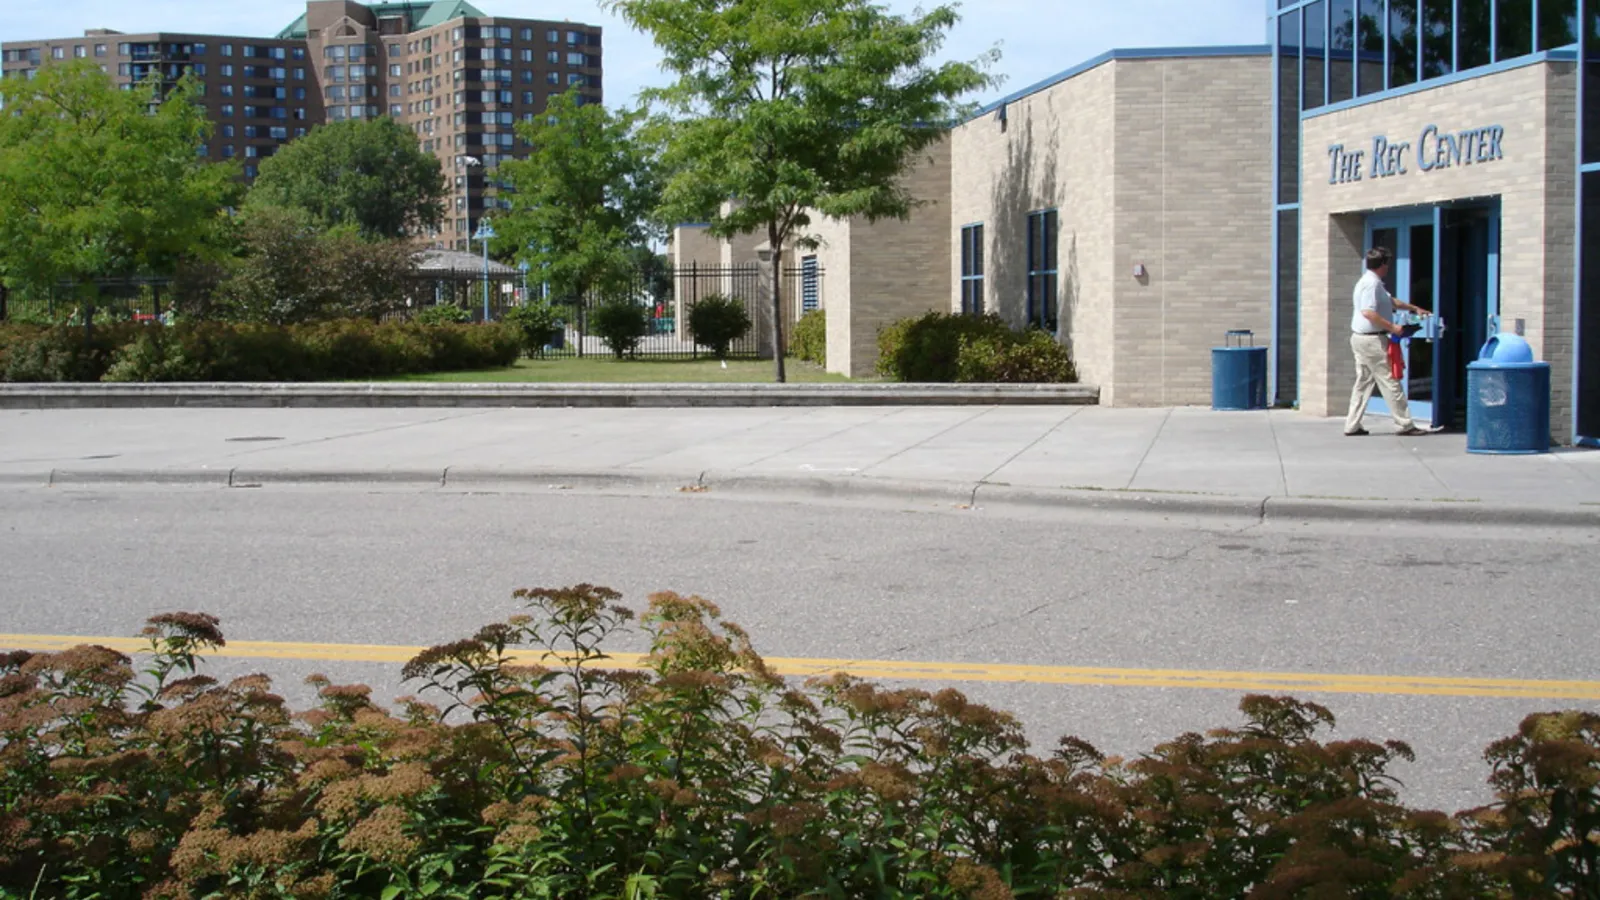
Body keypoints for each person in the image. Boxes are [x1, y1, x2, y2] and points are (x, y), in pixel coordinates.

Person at [1344, 247, 1439, 437]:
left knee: (1363, 382)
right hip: (1372, 341)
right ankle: (1405, 424)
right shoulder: (1371, 285)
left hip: (1360, 338)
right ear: (1383, 265)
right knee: (1390, 380)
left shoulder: (1370, 282)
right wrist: (1393, 327)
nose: (1389, 267)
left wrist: (1415, 308)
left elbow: (1392, 302)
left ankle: (1352, 425)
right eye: (1387, 263)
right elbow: (1368, 312)